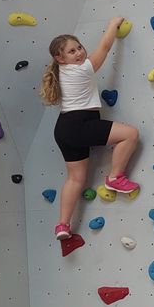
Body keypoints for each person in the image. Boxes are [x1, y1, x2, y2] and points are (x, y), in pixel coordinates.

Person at [40, 19, 139, 240]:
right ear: (60, 58)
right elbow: (104, 48)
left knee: (75, 179)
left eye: (79, 48)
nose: (79, 53)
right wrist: (113, 24)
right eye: (71, 51)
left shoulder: (64, 72)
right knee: (130, 135)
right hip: (79, 124)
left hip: (64, 129)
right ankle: (114, 177)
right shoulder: (81, 69)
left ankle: (63, 225)